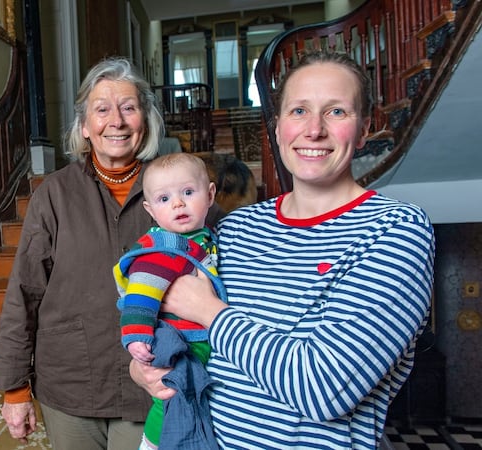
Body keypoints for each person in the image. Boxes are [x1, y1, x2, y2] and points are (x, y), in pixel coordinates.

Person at [130, 50, 436, 449]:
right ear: (277, 129)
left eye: (337, 112)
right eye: (299, 111)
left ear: (364, 130)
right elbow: (177, 324)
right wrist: (144, 367)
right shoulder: (236, 227)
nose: (314, 130)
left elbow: (324, 389)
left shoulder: (394, 230)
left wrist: (208, 310)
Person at [0, 57, 225, 450]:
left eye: (129, 108)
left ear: (145, 122)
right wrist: (14, 388)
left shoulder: (184, 188)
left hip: (157, 382)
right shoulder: (54, 194)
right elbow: (24, 292)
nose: (115, 121)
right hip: (70, 383)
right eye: (102, 110)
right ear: (85, 126)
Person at [114, 152, 227, 449]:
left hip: (191, 336)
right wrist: (136, 335)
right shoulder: (165, 249)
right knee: (174, 396)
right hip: (174, 337)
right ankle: (152, 444)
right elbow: (141, 293)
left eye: (188, 193)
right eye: (164, 199)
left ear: (210, 194)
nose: (178, 203)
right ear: (150, 210)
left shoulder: (202, 238)